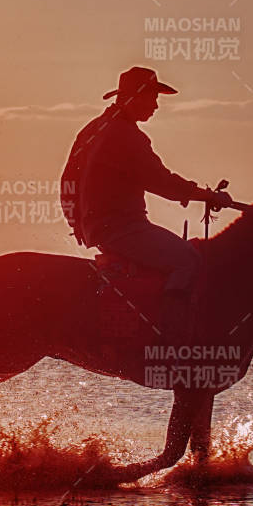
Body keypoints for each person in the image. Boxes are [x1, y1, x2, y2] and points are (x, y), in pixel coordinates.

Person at [61, 66, 233, 346]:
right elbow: (162, 182)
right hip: (124, 228)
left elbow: (68, 178)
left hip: (100, 228)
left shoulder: (93, 130)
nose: (155, 106)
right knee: (189, 260)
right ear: (134, 98)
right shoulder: (127, 136)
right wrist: (209, 197)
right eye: (153, 98)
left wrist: (75, 221)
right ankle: (174, 338)